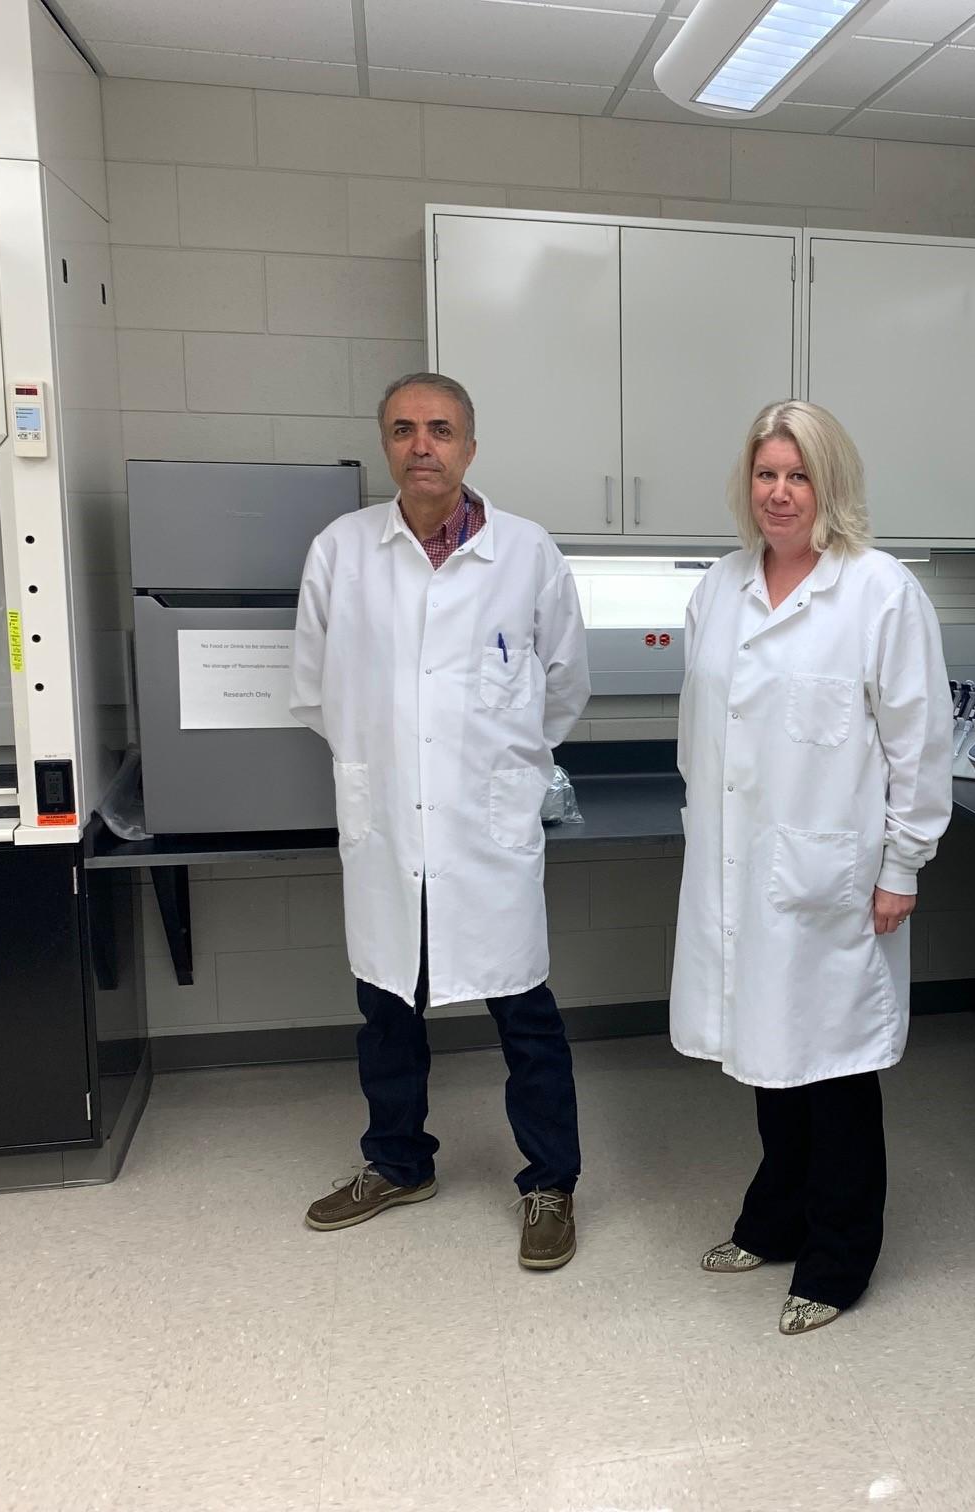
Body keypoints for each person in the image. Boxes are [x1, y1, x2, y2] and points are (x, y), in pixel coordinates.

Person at [290, 372, 591, 1271]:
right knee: (385, 1010)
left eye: (441, 429)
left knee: (526, 1016)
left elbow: (565, 684)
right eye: (404, 429)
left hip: (485, 831)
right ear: (385, 444)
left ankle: (550, 1183)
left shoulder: (528, 553)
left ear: (469, 444)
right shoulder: (342, 551)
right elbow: (316, 691)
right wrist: (386, 764)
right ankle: (397, 1163)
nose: (423, 445)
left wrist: (499, 766)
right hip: (387, 823)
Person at [670, 400, 953, 1337]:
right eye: (765, 475)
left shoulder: (879, 592)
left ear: (830, 486)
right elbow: (700, 732)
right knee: (767, 1056)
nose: (780, 493)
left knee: (830, 1074)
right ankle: (774, 1219)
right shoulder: (718, 587)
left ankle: (838, 1260)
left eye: (798, 476)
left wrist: (903, 864)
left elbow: (919, 743)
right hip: (740, 867)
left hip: (832, 873)